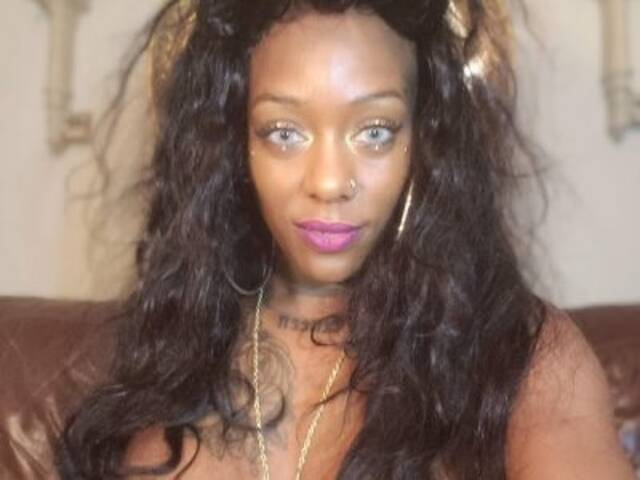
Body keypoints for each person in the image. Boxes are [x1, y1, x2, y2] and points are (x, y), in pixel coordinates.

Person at [56, 0, 636, 479]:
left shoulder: (523, 357)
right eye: (284, 132)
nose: (330, 182)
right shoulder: (176, 349)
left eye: (375, 131)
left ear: (424, 142)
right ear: (237, 145)